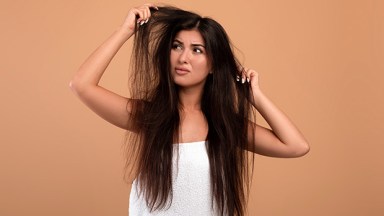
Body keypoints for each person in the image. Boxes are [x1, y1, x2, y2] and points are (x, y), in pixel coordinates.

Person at [69, 3, 309, 216]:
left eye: (197, 50)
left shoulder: (224, 125)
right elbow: (81, 85)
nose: (183, 58)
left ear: (214, 64)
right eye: (176, 46)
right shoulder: (148, 116)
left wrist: (254, 96)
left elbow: (296, 146)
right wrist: (126, 31)